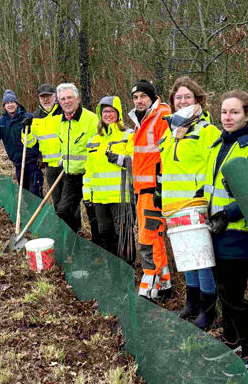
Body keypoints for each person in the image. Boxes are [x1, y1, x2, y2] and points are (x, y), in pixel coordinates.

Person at [203, 90, 248, 372]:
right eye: (224, 113)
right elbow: (210, 186)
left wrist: (227, 215)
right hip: (213, 230)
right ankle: (232, 344)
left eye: (234, 113)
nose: (227, 118)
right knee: (222, 291)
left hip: (239, 232)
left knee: (233, 295)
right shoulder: (218, 145)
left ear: (246, 114)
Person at [158, 76, 220, 326]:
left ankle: (208, 309)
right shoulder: (171, 133)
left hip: (195, 205)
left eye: (187, 97)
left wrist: (204, 195)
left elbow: (214, 167)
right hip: (173, 207)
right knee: (186, 259)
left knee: (202, 260)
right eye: (178, 97)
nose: (182, 101)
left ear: (198, 100)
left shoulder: (206, 130)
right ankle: (192, 303)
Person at [127, 79, 172, 302]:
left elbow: (166, 155)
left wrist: (161, 188)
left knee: (148, 239)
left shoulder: (161, 117)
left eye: (143, 96)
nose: (139, 101)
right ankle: (164, 283)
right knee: (154, 237)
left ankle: (148, 288)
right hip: (142, 189)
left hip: (153, 190)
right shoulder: (141, 120)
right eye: (135, 98)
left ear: (152, 97)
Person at [82, 95, 135, 262]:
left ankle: (127, 270)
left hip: (122, 196)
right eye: (105, 111)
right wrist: (87, 195)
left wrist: (118, 158)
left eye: (112, 111)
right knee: (105, 233)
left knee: (123, 235)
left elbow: (136, 163)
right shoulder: (93, 141)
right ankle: (113, 269)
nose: (108, 115)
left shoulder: (129, 135)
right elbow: (89, 171)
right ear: (100, 114)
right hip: (100, 198)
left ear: (118, 114)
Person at [53, 83, 100, 239]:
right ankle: (75, 240)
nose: (66, 102)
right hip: (70, 176)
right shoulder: (60, 122)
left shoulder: (91, 119)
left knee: (93, 216)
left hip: (89, 177)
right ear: (59, 102)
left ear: (78, 99)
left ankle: (98, 248)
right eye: (63, 99)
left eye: (69, 98)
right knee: (63, 211)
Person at [0, 89, 43, 196]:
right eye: (7, 103)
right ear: (4, 106)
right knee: (24, 194)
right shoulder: (0, 122)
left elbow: (40, 138)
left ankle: (39, 213)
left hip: (32, 162)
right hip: (18, 163)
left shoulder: (29, 118)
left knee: (35, 192)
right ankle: (26, 213)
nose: (10, 105)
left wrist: (40, 156)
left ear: (17, 103)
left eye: (12, 102)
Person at [23, 83, 63, 195]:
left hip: (67, 165)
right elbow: (29, 143)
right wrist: (25, 130)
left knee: (70, 205)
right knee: (57, 203)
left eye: (48, 96)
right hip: (50, 167)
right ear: (39, 99)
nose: (46, 100)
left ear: (55, 96)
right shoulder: (35, 117)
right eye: (42, 97)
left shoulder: (64, 112)